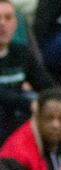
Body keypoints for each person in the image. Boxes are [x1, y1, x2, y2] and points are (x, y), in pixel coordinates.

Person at [0, 0, 53, 143]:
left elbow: (47, 85)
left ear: (16, 24)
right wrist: (29, 103)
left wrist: (53, 101)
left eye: (8, 18)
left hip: (17, 122)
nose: (2, 24)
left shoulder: (21, 53)